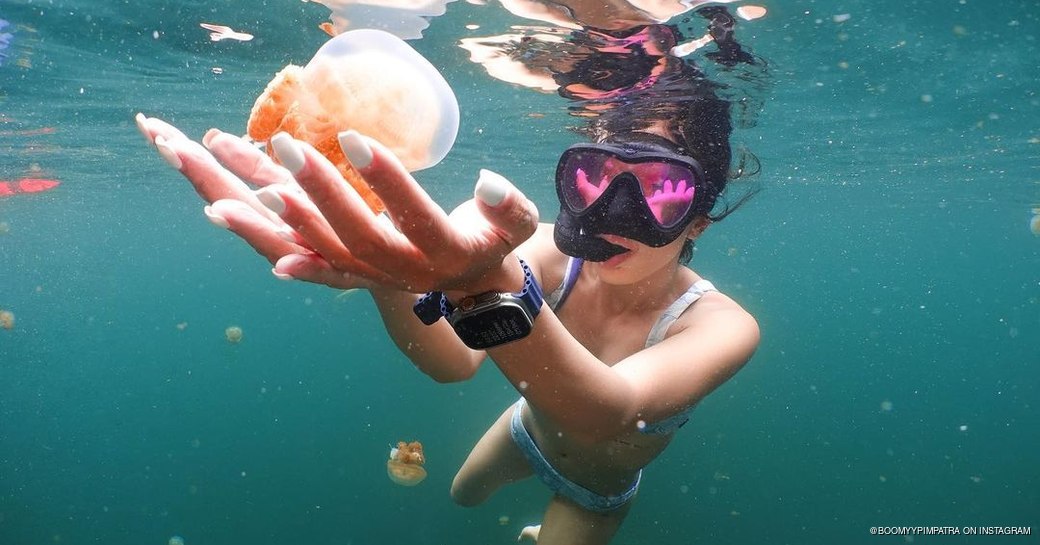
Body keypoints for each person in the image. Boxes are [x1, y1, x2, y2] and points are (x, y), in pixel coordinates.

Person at [135, 13, 763, 545]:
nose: (612, 212)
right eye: (595, 177)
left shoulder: (722, 326)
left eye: (662, 189)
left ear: (700, 220)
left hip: (599, 486)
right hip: (526, 424)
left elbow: (608, 414)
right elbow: (452, 364)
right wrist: (389, 277)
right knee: (463, 497)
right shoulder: (543, 252)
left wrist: (478, 280)